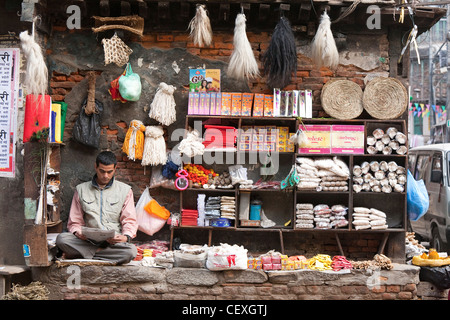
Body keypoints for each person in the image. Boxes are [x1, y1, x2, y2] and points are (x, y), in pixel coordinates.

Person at [56, 151, 138, 265]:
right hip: (87, 241)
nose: (105, 176)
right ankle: (101, 255)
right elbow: (74, 222)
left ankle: (86, 254)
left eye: (110, 172)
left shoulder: (125, 190)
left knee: (131, 252)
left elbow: (129, 220)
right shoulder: (81, 189)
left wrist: (125, 237)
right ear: (96, 167)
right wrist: (78, 233)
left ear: (115, 169)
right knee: (62, 239)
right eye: (102, 171)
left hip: (112, 244)